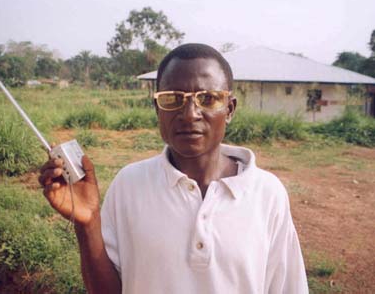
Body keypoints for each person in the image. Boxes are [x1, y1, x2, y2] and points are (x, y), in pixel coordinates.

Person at [39, 43, 308, 293]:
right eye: (172, 99)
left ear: (230, 108)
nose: (190, 113)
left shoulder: (266, 193)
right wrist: (88, 224)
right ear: (157, 108)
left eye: (208, 98)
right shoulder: (129, 184)